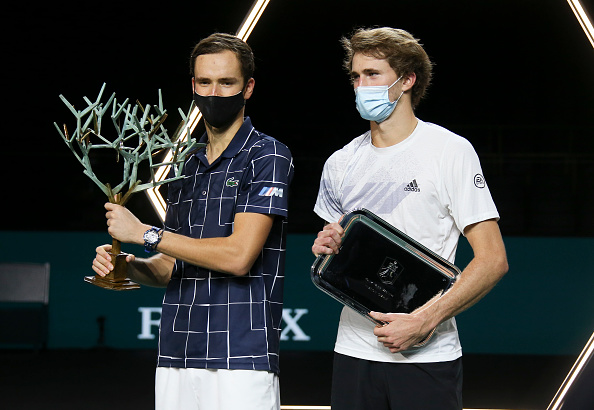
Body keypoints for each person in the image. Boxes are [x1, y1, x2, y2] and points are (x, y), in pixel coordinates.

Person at [92, 33, 294, 410]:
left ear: (248, 87)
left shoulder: (268, 155)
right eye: (205, 82)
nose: (214, 93)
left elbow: (238, 257)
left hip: (241, 357)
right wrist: (129, 267)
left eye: (226, 82)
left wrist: (145, 233)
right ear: (193, 86)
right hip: (176, 353)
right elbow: (171, 266)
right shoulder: (184, 164)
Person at [311, 27, 508, 410]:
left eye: (373, 74)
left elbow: (492, 260)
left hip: (427, 357)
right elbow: (334, 248)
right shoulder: (340, 162)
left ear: (407, 80)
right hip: (353, 352)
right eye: (355, 76)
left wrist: (424, 320)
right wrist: (325, 247)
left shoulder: (449, 150)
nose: (360, 85)